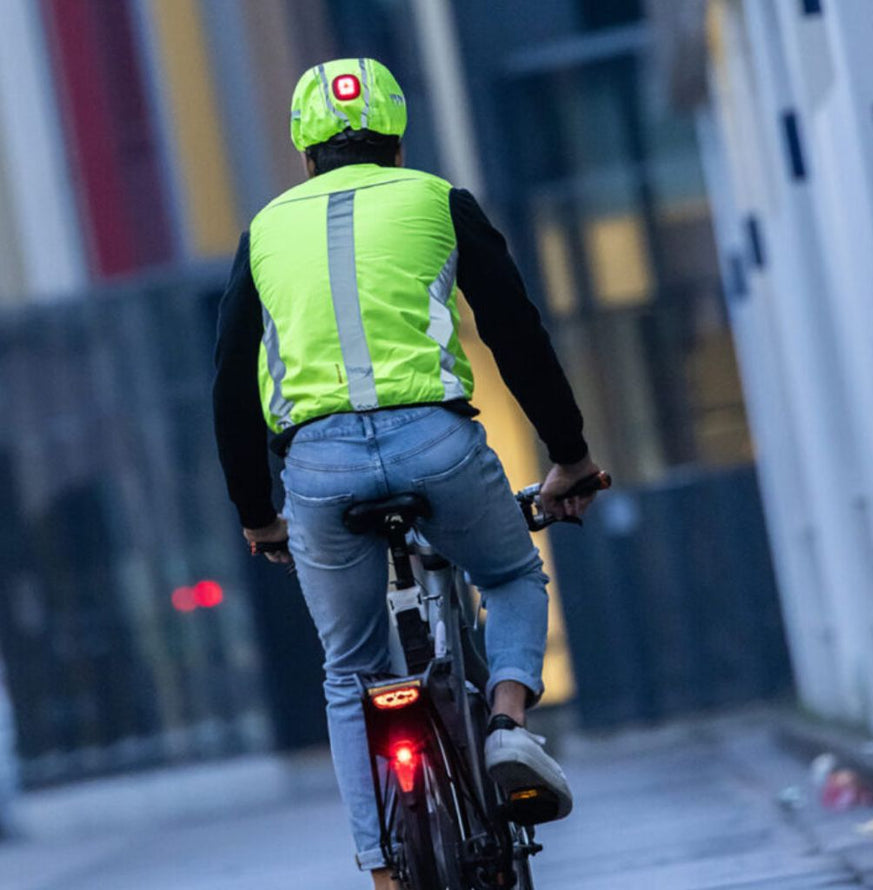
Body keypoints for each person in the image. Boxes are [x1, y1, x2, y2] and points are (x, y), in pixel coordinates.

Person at [213, 58, 601, 890]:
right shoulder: (438, 200)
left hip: (315, 469)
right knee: (508, 573)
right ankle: (505, 728)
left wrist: (258, 514)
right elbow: (515, 332)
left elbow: (229, 385)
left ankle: (384, 872)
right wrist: (568, 455)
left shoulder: (263, 233)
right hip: (438, 446)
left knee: (351, 668)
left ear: (303, 146)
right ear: (395, 135)